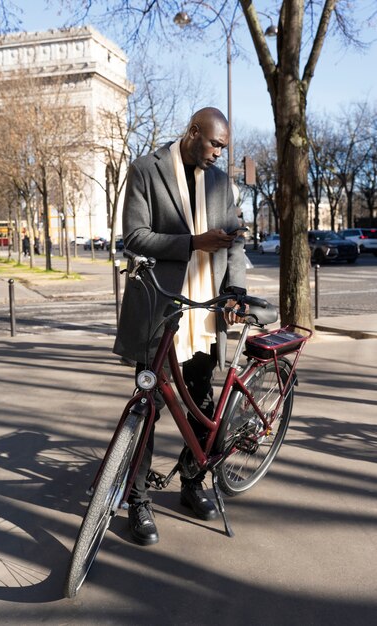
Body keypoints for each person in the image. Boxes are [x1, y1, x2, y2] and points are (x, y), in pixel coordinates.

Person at [114, 107, 247, 546]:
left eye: (223, 148)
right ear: (193, 132)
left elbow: (236, 243)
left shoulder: (221, 184)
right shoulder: (145, 170)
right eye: (214, 145)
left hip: (206, 311)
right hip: (160, 309)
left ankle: (192, 484)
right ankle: (138, 502)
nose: (217, 155)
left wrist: (234, 292)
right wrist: (193, 243)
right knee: (147, 410)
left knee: (201, 404)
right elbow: (133, 237)